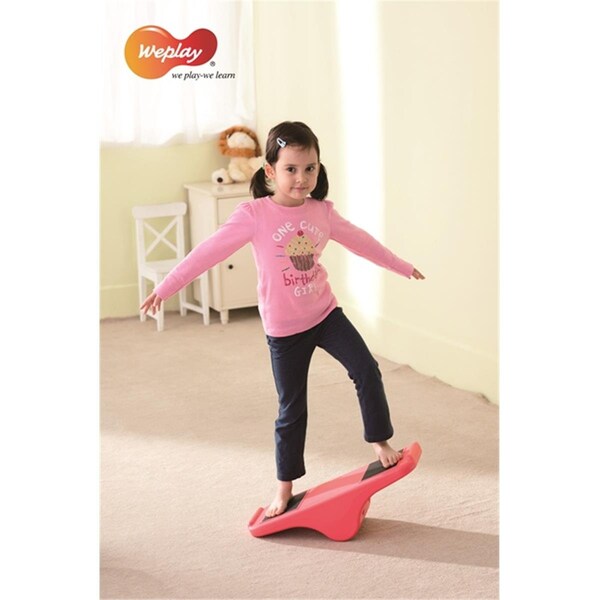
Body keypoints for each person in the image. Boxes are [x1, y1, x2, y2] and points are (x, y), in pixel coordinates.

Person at [140, 121, 425, 517]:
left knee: (366, 369)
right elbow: (209, 251)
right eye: (291, 169)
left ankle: (379, 442)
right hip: (285, 329)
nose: (302, 178)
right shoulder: (254, 214)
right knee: (292, 409)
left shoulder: (322, 212)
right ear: (270, 171)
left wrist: (400, 266)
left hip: (325, 314)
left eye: (310, 168)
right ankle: (284, 488)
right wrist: (167, 287)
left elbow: (362, 242)